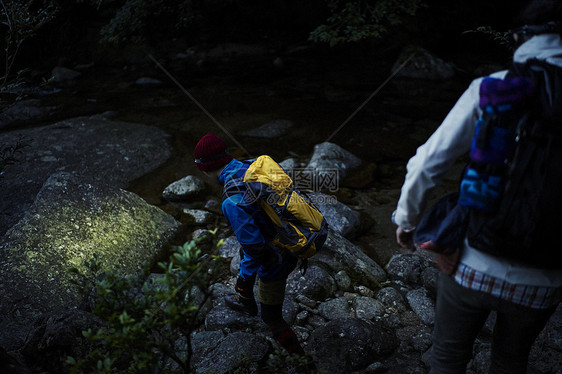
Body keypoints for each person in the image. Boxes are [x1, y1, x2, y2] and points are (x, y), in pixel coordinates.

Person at [392, 2, 562, 373]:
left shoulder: (493, 87)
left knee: (448, 358)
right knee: (511, 361)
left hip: (473, 263)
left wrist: (407, 220)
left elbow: (427, 163)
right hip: (545, 276)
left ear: (520, 39)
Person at [193, 132, 308, 358]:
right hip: (295, 235)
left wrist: (242, 284)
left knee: (271, 317)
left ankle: (304, 363)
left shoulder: (231, 200)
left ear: (205, 169)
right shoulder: (253, 166)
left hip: (279, 256)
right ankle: (245, 298)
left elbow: (254, 248)